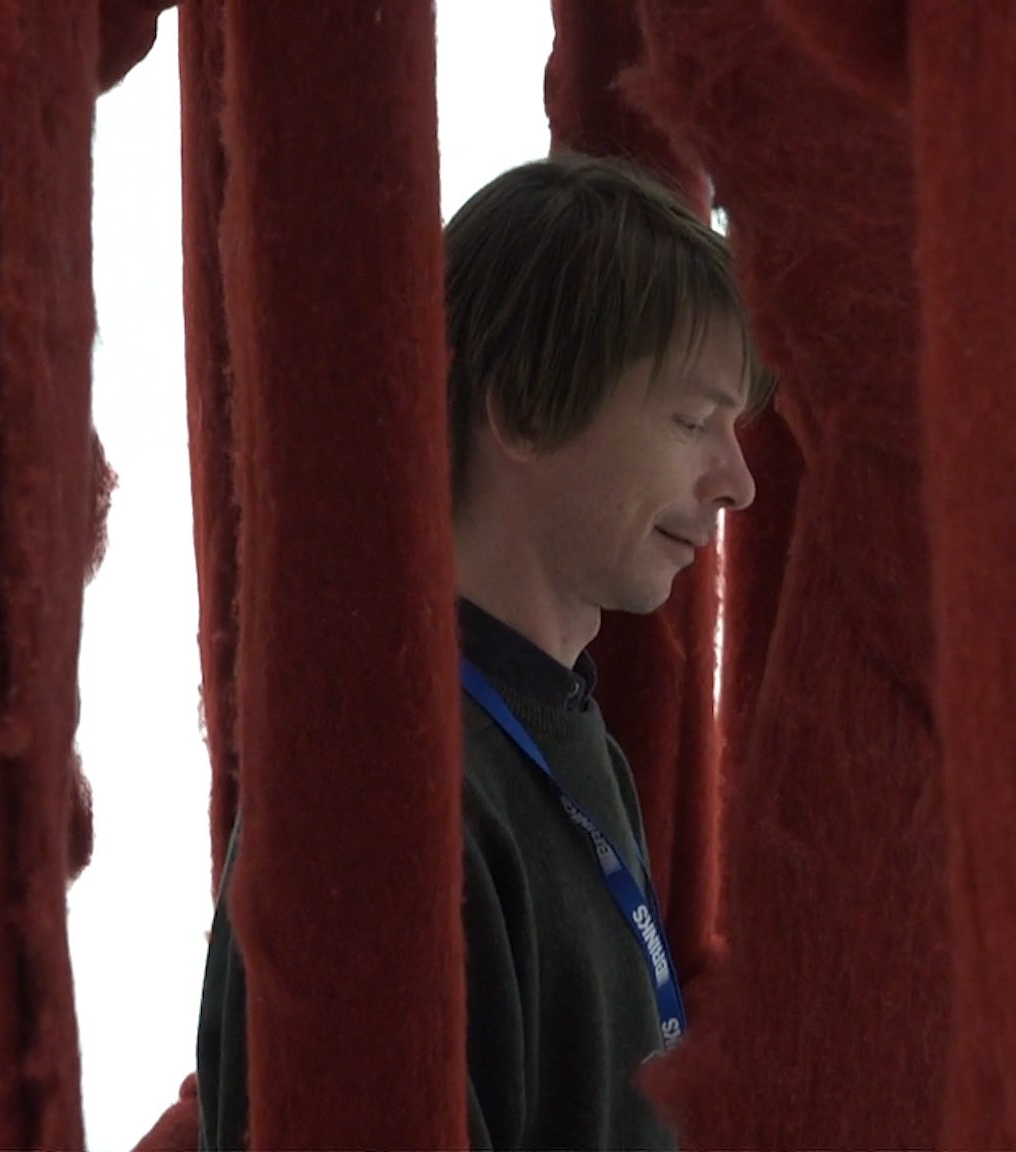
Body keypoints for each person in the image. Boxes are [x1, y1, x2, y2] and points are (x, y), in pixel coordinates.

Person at [194, 153, 770, 1151]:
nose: (736, 481)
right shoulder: (374, 792)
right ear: (520, 410)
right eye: (689, 421)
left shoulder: (561, 724)